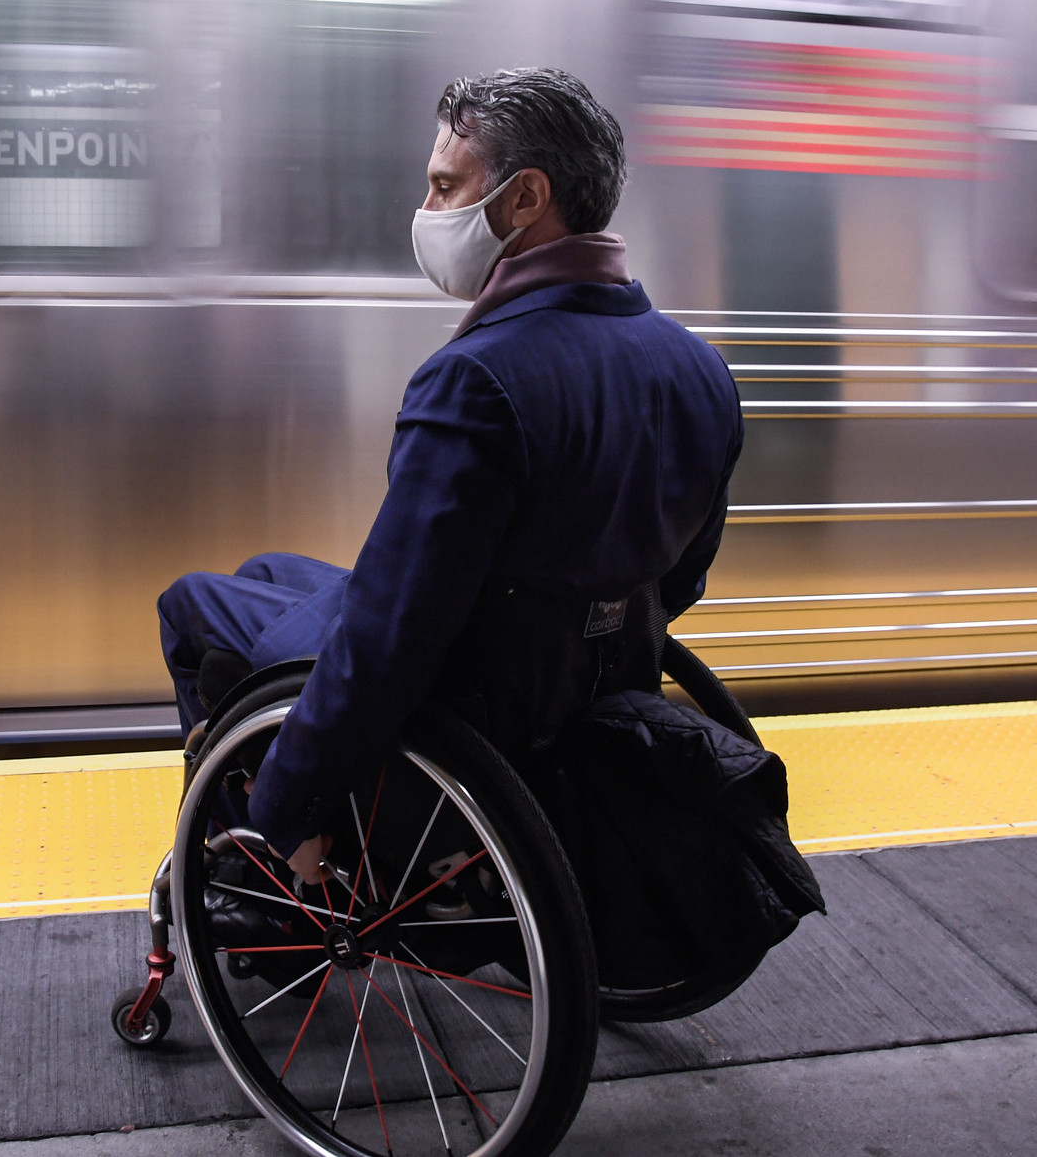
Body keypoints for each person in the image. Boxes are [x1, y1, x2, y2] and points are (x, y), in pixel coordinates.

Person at [157, 67, 744, 885]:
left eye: (444, 188)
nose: (428, 215)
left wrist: (285, 807)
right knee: (262, 575)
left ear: (524, 198)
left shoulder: (478, 377)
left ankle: (260, 876)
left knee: (190, 604)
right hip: (586, 671)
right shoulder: (698, 368)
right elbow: (679, 577)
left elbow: (394, 629)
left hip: (469, 688)